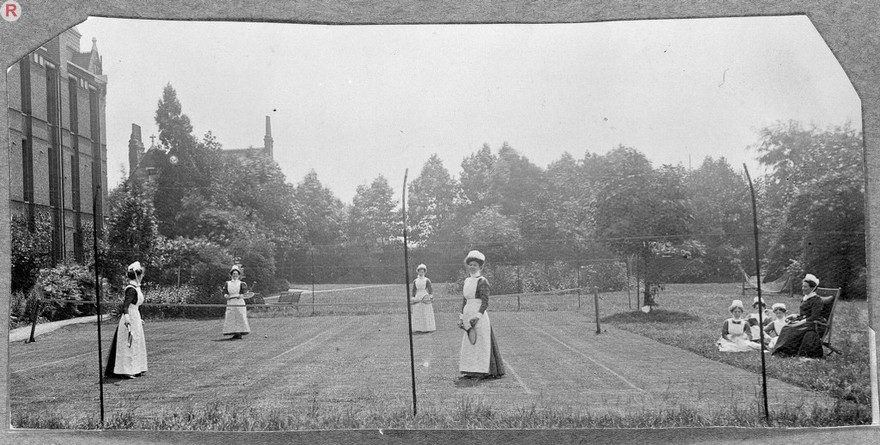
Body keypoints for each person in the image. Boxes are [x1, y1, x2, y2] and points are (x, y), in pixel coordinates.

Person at [458, 250, 505, 379]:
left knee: (481, 343)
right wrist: (461, 318)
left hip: (479, 316)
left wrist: (477, 317)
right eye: (470, 264)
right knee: (470, 343)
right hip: (468, 314)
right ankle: (470, 370)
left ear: (480, 267)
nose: (472, 267)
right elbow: (464, 300)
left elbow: (485, 302)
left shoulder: (482, 281)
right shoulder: (467, 280)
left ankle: (482, 371)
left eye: (475, 265)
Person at [105, 261, 148, 379]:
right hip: (129, 317)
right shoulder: (131, 289)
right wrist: (127, 319)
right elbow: (125, 306)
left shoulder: (136, 288)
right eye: (141, 275)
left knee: (136, 342)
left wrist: (139, 319)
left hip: (135, 316)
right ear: (138, 276)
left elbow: (135, 305)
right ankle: (125, 370)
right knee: (128, 343)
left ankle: (136, 368)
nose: (142, 277)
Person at [772, 274, 827, 358]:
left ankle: (783, 352)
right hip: (807, 322)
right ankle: (783, 351)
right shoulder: (805, 298)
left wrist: (801, 321)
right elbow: (803, 314)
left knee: (790, 329)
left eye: (805, 287)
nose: (802, 288)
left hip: (816, 324)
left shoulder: (817, 300)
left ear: (812, 288)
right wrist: (795, 316)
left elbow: (814, 316)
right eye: (802, 286)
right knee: (787, 327)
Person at [222, 265, 252, 340]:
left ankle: (240, 333)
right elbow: (225, 292)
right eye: (233, 274)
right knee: (231, 317)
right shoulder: (227, 283)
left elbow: (244, 293)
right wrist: (226, 296)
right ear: (231, 274)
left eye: (236, 274)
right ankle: (235, 333)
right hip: (231, 302)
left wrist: (241, 295)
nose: (235, 275)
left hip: (239, 302)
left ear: (239, 275)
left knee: (240, 316)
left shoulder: (242, 283)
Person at [410, 264, 436, 333]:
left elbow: (430, 290)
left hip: (425, 296)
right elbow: (413, 290)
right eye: (420, 272)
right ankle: (418, 328)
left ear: (424, 272)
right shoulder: (415, 281)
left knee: (425, 312)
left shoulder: (427, 280)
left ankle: (427, 328)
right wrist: (413, 297)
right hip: (417, 296)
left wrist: (430, 296)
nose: (421, 273)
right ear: (417, 272)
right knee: (418, 312)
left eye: (422, 272)